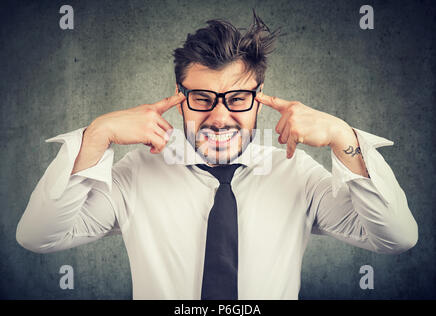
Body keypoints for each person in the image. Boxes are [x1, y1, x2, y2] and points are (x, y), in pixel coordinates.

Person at [16, 12, 418, 300]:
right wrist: (96, 135)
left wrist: (342, 138)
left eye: (239, 98)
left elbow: (396, 238)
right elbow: (37, 237)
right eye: (203, 98)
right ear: (180, 98)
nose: (220, 117)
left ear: (259, 100)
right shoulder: (136, 173)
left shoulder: (296, 174)